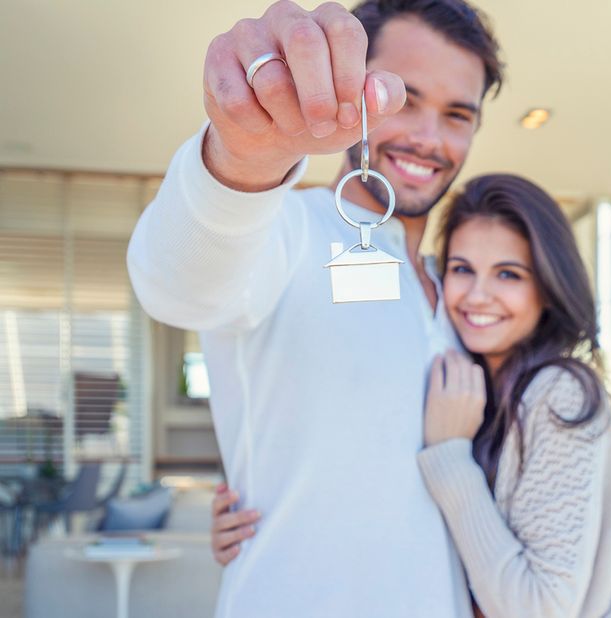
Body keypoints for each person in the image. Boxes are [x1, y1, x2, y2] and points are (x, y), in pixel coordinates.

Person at [127, 0, 505, 615]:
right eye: (403, 99)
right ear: (348, 90)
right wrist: (245, 158)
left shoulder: (466, 298)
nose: (429, 138)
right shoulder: (284, 229)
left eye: (457, 114)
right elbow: (176, 285)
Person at [218, 174, 611, 617]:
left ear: (549, 288)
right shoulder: (467, 372)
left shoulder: (559, 394)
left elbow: (539, 608)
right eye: (462, 269)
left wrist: (451, 455)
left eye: (508, 274)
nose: (478, 296)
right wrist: (260, 509)